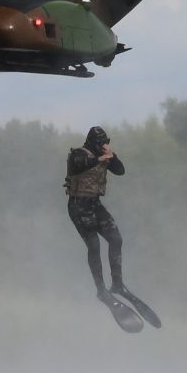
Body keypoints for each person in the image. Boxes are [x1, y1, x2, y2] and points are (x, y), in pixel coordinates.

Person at [65, 126, 129, 297]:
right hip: (79, 205)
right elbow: (82, 165)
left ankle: (117, 284)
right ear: (92, 142)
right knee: (94, 245)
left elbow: (120, 171)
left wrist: (112, 155)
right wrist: (101, 157)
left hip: (95, 204)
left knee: (116, 239)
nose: (103, 146)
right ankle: (101, 289)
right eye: (100, 143)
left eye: (105, 143)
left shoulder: (103, 155)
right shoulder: (79, 154)